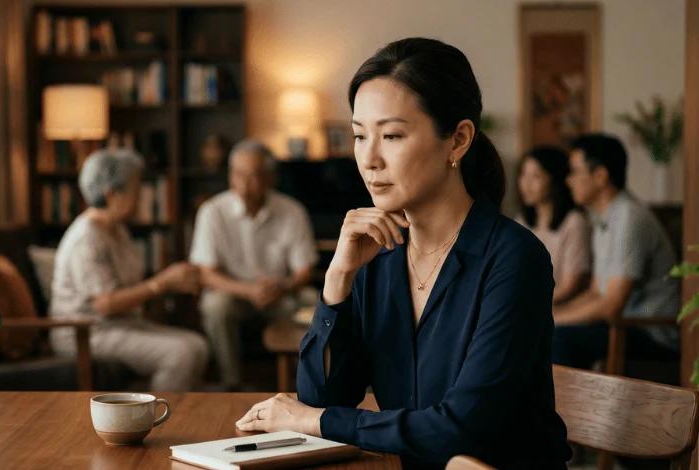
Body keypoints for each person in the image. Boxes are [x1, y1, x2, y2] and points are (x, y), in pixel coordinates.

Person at [234, 38, 572, 469]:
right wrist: (337, 279)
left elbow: (459, 431)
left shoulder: (514, 259)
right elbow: (324, 398)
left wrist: (314, 421)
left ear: (458, 140)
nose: (369, 159)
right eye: (359, 136)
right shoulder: (378, 255)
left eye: (391, 135)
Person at [49, 148, 209, 392]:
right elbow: (105, 304)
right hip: (87, 332)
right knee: (181, 353)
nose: (141, 197)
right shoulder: (87, 237)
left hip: (122, 324)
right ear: (112, 194)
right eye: (136, 189)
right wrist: (162, 283)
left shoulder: (117, 229)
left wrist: (172, 282)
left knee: (197, 345)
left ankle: (186, 416)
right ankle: (159, 419)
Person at [189, 140, 319, 391]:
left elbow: (305, 270)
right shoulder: (212, 211)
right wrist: (248, 291)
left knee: (313, 300)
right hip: (233, 293)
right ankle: (232, 382)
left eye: (254, 175)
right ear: (230, 177)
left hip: (280, 292)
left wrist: (282, 286)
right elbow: (206, 273)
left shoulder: (292, 211)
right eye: (238, 175)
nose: (245, 184)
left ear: (271, 178)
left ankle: (306, 381)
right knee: (215, 306)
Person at [552, 133, 680, 369]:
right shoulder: (604, 218)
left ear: (600, 175)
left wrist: (552, 321)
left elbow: (611, 303)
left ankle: (563, 407)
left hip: (651, 332)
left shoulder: (629, 218)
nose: (568, 180)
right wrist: (553, 313)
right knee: (545, 332)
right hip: (624, 324)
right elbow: (596, 292)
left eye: (574, 171)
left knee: (558, 339)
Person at [516, 146, 591, 304]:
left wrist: (526, 305)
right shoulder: (521, 222)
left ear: (555, 178)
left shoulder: (574, 222)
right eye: (523, 174)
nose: (526, 184)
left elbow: (570, 287)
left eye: (536, 176)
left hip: (563, 310)